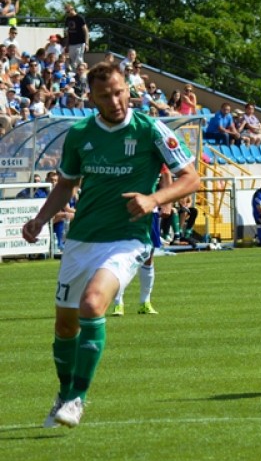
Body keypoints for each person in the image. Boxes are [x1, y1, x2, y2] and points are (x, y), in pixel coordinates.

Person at [21, 60, 199, 428]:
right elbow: (66, 184)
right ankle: (64, 392)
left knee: (92, 304)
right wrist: (41, 219)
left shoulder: (150, 129)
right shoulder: (80, 133)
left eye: (119, 92)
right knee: (65, 326)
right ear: (91, 98)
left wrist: (153, 199)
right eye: (105, 96)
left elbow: (190, 178)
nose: (115, 101)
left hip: (127, 238)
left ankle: (77, 399)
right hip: (82, 239)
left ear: (128, 89)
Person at [110, 166, 175, 317]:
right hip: (118, 209)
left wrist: (167, 203)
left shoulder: (151, 151)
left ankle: (145, 302)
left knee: (148, 256)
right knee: (116, 255)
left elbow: (166, 174)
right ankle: (118, 303)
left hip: (148, 210)